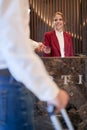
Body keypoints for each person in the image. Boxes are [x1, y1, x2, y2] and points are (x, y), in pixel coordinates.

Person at [0, 1, 69, 130]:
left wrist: (36, 45)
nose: (58, 21)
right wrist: (51, 92)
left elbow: (10, 36)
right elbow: (16, 47)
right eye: (56, 19)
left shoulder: (68, 36)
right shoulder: (48, 35)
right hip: (11, 81)